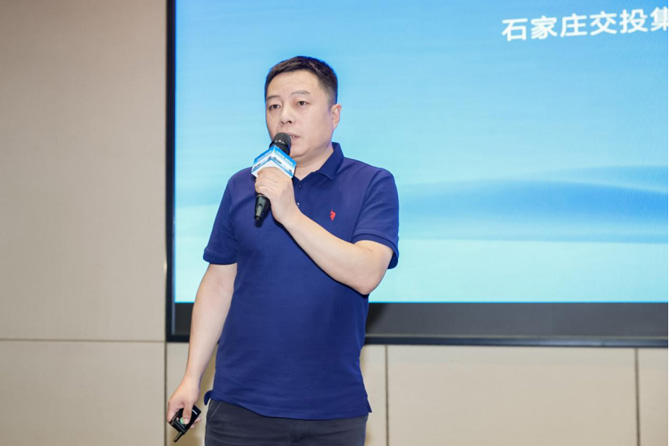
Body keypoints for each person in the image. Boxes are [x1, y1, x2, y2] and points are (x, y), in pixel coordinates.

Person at [167, 56, 399, 446]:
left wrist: (290, 213)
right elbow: (219, 284)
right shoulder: (243, 185)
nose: (284, 117)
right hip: (240, 406)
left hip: (332, 411)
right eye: (273, 106)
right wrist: (192, 377)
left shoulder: (371, 183)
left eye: (300, 103)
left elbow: (366, 273)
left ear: (334, 114)